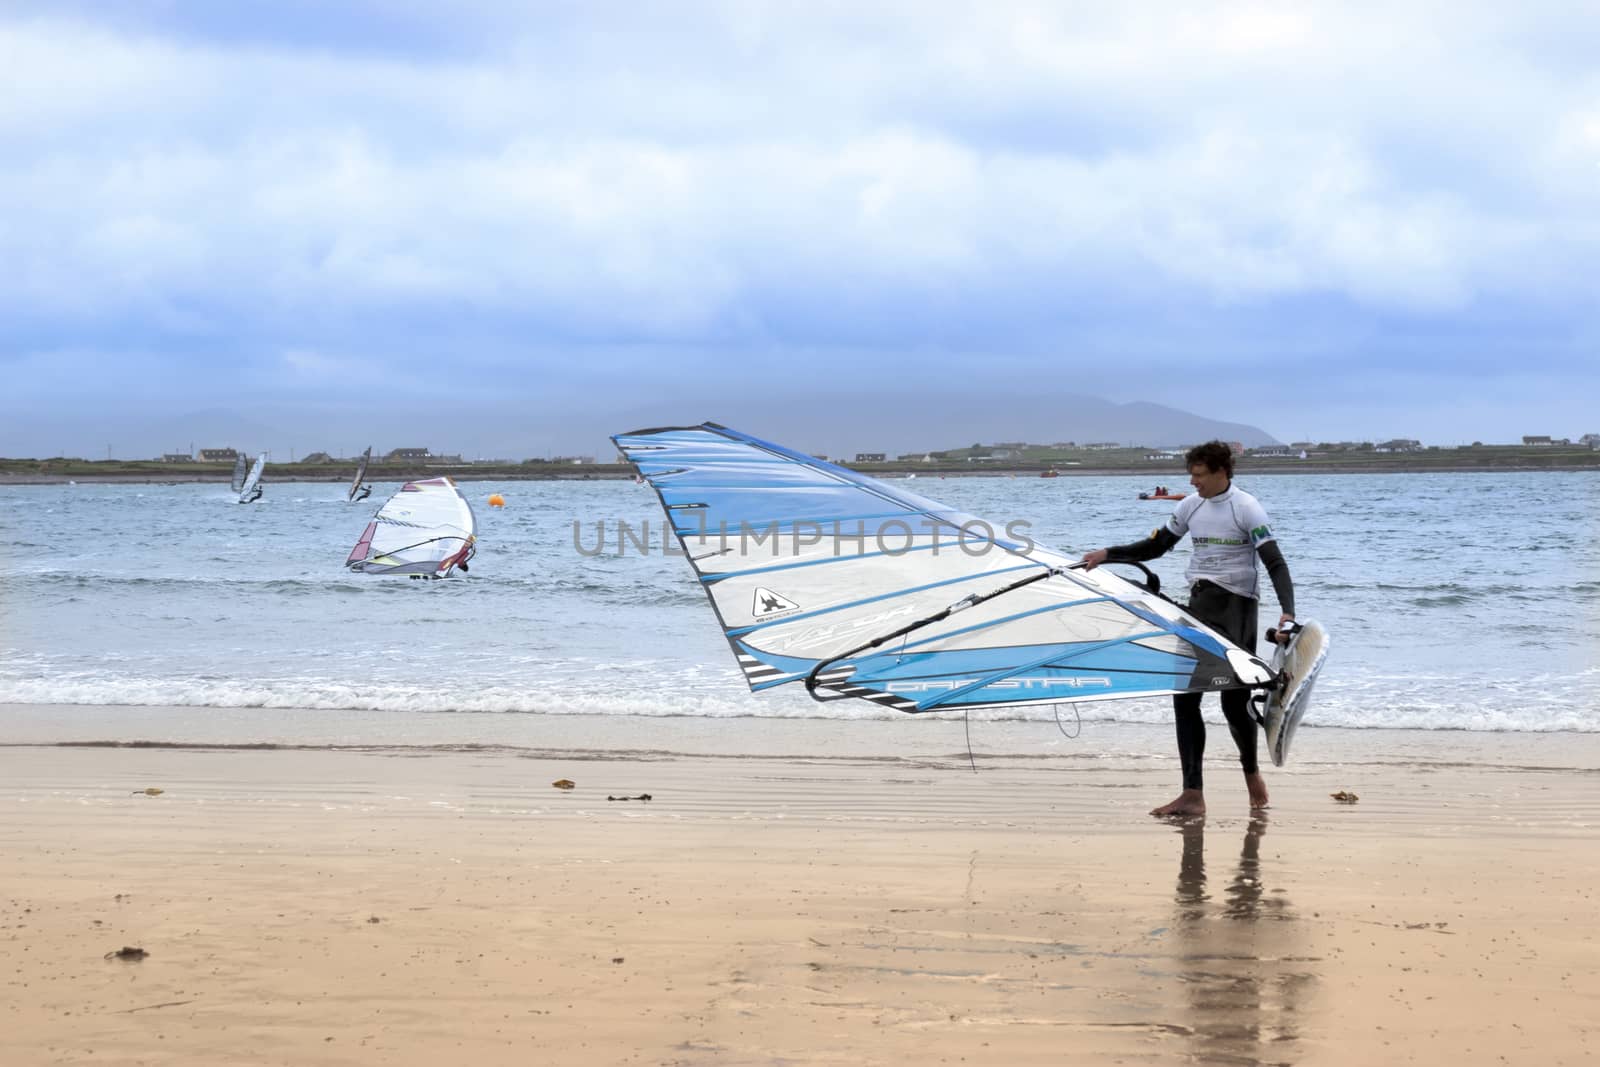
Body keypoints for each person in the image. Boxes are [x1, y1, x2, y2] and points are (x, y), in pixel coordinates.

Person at [1081, 441, 1295, 817]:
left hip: (1236, 608)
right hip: (1198, 607)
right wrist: (1107, 554)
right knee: (1184, 698)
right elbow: (1157, 546)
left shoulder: (1246, 507)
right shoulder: (1189, 506)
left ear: (1220, 472)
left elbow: (1275, 563)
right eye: (1191, 474)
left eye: (1199, 475)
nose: (1192, 481)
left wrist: (1287, 614)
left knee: (1234, 701)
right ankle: (1192, 794)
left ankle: (1252, 775)